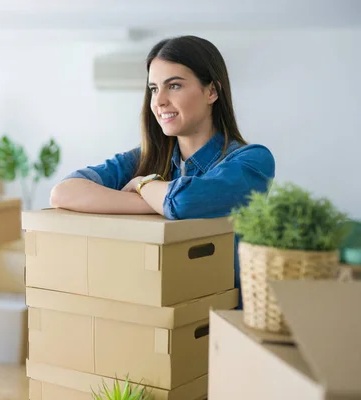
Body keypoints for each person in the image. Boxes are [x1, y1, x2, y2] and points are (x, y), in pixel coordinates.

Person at [50, 35, 275, 308]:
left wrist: (144, 185)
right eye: (154, 89)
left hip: (226, 324)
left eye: (175, 86)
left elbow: (185, 201)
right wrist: (150, 203)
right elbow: (64, 192)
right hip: (155, 317)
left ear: (212, 91)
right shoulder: (144, 157)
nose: (159, 101)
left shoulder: (252, 161)